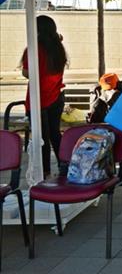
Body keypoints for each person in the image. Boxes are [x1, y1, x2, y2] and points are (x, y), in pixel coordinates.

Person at [22, 15, 67, 178]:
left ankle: (44, 170)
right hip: (56, 95)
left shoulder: (33, 48)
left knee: (41, 137)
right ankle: (65, 165)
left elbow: (27, 72)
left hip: (38, 97)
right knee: (55, 134)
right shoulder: (58, 48)